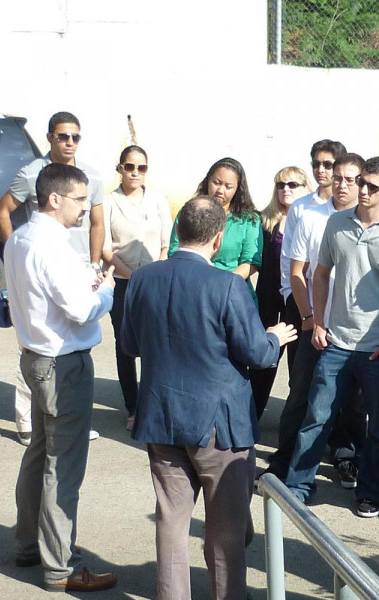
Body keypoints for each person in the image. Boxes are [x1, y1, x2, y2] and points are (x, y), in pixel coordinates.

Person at [122, 196, 297, 600]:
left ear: (178, 230)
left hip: (162, 417)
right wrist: (275, 337)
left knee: (171, 524)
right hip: (219, 425)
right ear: (218, 240)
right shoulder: (228, 285)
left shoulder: (143, 278)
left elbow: (130, 344)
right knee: (225, 535)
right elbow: (257, 354)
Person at [284, 157, 379, 518]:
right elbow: (320, 274)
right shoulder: (337, 222)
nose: (362, 190)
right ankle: (299, 485)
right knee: (317, 416)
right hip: (336, 342)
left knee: (377, 427)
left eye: (371, 186)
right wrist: (315, 322)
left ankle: (370, 493)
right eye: (361, 182)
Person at [6, 163, 117, 592]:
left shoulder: (21, 238)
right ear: (54, 199)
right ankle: (61, 566)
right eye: (79, 199)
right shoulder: (49, 244)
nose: (86, 208)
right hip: (61, 364)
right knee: (62, 465)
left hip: (36, 357)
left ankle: (28, 544)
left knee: (40, 453)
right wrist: (104, 290)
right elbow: (80, 309)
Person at [0, 111, 105, 445]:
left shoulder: (91, 177)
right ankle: (26, 421)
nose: (69, 142)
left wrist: (96, 264)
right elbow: (2, 211)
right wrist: (16, 248)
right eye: (62, 136)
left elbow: (97, 223)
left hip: (77, 269)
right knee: (37, 343)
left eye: (75, 137)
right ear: (50, 138)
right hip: (40, 269)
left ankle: (72, 420)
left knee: (73, 348)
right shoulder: (32, 174)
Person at [264, 154, 367, 487]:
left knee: (350, 399)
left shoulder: (368, 224)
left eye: (350, 179)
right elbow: (297, 272)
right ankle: (283, 460)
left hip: (353, 328)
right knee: (300, 394)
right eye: (337, 177)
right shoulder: (310, 217)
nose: (341, 184)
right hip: (314, 322)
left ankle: (347, 458)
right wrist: (310, 316)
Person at [169, 157, 264, 396]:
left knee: (232, 362)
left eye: (228, 186)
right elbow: (174, 251)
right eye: (216, 182)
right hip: (194, 293)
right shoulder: (190, 211)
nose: (220, 190)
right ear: (207, 181)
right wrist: (204, 285)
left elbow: (251, 262)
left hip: (233, 293)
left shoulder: (249, 219)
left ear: (238, 189)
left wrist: (221, 286)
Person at [102, 145, 172, 431]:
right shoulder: (108, 203)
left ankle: (155, 405)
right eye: (129, 167)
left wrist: (157, 272)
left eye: (141, 168)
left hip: (155, 283)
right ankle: (133, 407)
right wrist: (131, 275)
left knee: (158, 344)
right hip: (123, 283)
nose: (134, 173)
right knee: (126, 346)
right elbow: (105, 248)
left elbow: (168, 243)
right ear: (119, 168)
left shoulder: (157, 200)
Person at [279, 140, 347, 368]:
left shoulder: (351, 208)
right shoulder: (301, 207)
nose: (321, 170)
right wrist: (297, 303)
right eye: (316, 164)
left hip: (339, 309)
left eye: (328, 165)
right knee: (301, 373)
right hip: (302, 301)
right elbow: (289, 258)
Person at [251, 166, 312, 418]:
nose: (285, 189)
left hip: (298, 302)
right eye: (280, 185)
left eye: (292, 184)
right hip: (269, 300)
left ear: (305, 187)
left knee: (298, 367)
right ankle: (250, 416)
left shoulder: (312, 218)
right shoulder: (265, 220)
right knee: (263, 361)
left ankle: (294, 422)